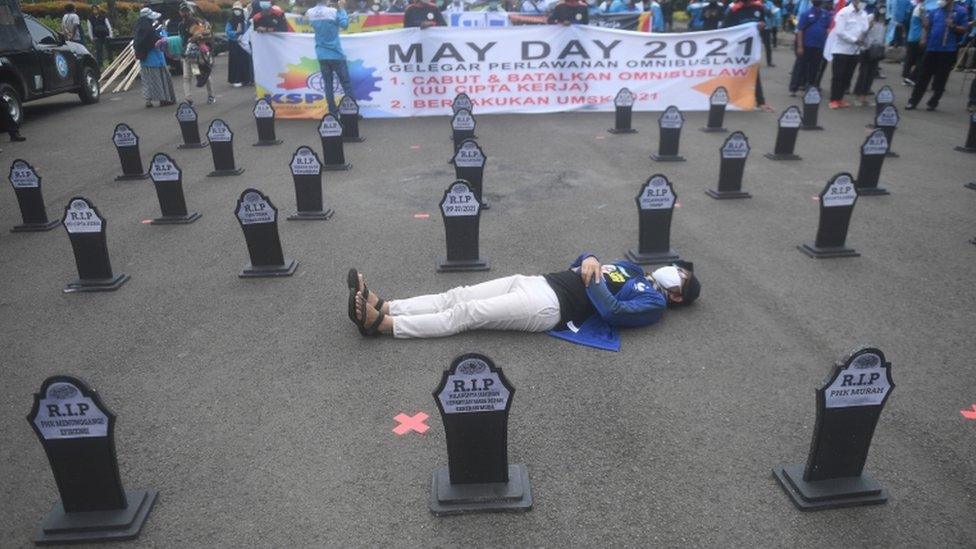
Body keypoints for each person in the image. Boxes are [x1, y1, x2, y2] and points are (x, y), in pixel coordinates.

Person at [346, 257, 701, 347]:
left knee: (466, 314)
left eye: (680, 277)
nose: (674, 271)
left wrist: (590, 276)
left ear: (677, 295)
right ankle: (388, 304)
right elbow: (585, 259)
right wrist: (591, 256)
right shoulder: (633, 268)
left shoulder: (653, 303)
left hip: (550, 307)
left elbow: (613, 311)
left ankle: (384, 326)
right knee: (457, 295)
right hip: (539, 280)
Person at [906, 0, 971, 110]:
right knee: (923, 76)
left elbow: (964, 29)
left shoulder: (960, 11)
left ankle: (933, 102)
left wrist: (953, 26)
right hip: (932, 48)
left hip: (948, 50)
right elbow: (927, 26)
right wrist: (923, 36)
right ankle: (913, 101)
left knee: (941, 78)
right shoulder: (935, 11)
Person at [723, 0, 775, 111]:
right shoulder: (733, 10)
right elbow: (725, 29)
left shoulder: (759, 8)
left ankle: (761, 102)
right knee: (732, 72)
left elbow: (763, 22)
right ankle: (726, 99)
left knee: (754, 73)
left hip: (751, 49)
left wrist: (762, 25)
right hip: (736, 49)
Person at [307, 0, 354, 114]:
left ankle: (332, 112)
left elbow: (312, 23)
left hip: (322, 54)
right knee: (346, 84)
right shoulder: (333, 11)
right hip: (336, 54)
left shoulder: (310, 12)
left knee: (328, 85)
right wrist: (342, 9)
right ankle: (352, 111)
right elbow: (345, 25)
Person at [823, 0, 870, 108]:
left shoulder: (864, 14)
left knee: (847, 76)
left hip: (855, 51)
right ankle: (834, 99)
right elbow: (840, 32)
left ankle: (840, 98)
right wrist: (854, 40)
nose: (862, 3)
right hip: (841, 49)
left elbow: (865, 29)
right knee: (838, 76)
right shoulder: (844, 12)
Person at [134, 8, 177, 108]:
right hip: (155, 60)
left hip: (144, 60)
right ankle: (163, 100)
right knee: (159, 80)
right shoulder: (149, 30)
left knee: (147, 81)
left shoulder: (139, 29)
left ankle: (148, 101)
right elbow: (157, 42)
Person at [177, 2, 215, 105]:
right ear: (180, 12)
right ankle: (188, 99)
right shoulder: (180, 25)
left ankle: (211, 96)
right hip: (187, 55)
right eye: (183, 11)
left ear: (189, 11)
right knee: (186, 77)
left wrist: (196, 38)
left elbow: (206, 34)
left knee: (203, 75)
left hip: (197, 56)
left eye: (186, 10)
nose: (185, 12)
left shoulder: (197, 22)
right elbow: (181, 39)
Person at [791, 0, 831, 95]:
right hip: (806, 45)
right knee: (800, 66)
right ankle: (794, 88)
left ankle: (809, 87)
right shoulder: (806, 14)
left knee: (814, 68)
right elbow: (800, 30)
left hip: (819, 46)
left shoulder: (825, 14)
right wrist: (800, 46)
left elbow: (827, 29)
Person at [853, 7, 886, 105]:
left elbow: (882, 34)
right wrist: (869, 27)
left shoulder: (883, 20)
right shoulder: (869, 18)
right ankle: (859, 96)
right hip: (866, 49)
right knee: (864, 73)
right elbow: (861, 33)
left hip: (877, 50)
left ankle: (864, 96)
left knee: (871, 74)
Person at [226, 2, 254, 87]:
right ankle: (235, 80)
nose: (236, 11)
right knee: (235, 62)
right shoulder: (230, 21)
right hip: (234, 44)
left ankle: (247, 79)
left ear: (241, 10)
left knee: (245, 61)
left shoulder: (245, 20)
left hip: (243, 43)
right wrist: (236, 33)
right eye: (235, 10)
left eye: (238, 10)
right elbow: (228, 31)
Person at [901, 0, 923, 86]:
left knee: (910, 58)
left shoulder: (913, 7)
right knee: (920, 59)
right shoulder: (921, 9)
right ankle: (911, 78)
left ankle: (906, 76)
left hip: (911, 36)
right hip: (918, 37)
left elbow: (905, 21)